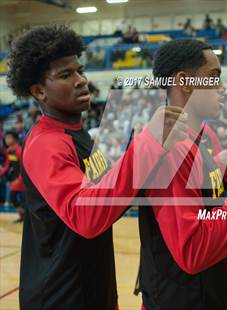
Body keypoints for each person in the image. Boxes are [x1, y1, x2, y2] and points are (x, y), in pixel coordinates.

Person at [7, 25, 187, 310]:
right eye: (66, 75)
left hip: (91, 285)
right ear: (39, 91)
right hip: (60, 296)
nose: (81, 81)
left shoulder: (78, 135)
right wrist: (145, 146)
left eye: (80, 71)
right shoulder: (46, 144)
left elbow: (110, 199)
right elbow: (87, 216)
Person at [137, 39, 227, 310]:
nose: (222, 87)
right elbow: (194, 249)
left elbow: (215, 229)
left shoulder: (207, 138)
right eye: (213, 77)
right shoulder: (169, 149)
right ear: (184, 82)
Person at [0, 131, 24, 222]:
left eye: (9, 138)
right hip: (14, 179)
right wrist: (1, 173)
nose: (7, 140)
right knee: (14, 199)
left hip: (21, 179)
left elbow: (24, 165)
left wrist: (20, 179)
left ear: (14, 139)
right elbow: (7, 165)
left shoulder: (19, 150)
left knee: (21, 199)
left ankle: (24, 217)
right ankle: (22, 217)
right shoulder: (9, 150)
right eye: (6, 138)